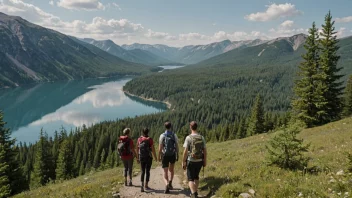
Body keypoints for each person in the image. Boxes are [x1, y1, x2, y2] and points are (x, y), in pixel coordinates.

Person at [182, 121, 207, 198]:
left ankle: (193, 193)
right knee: (196, 177)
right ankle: (195, 192)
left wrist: (183, 162)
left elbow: (185, 152)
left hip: (191, 160)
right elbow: (205, 151)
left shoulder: (188, 138)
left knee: (190, 179)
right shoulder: (201, 137)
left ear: (190, 127)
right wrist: (204, 161)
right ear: (197, 127)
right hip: (199, 161)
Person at [158, 121, 179, 194]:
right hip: (172, 154)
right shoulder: (174, 135)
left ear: (165, 127)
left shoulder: (162, 136)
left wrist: (159, 156)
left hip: (165, 155)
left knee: (165, 171)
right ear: (171, 126)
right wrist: (177, 154)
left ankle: (166, 184)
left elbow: (160, 148)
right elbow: (176, 146)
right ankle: (170, 182)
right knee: (172, 170)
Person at [136, 128, 157, 192]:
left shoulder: (139, 139)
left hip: (141, 157)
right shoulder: (150, 139)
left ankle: (141, 185)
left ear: (142, 132)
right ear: (148, 132)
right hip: (148, 157)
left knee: (142, 171)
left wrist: (137, 157)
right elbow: (153, 149)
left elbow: (137, 148)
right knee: (147, 171)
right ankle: (146, 185)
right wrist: (155, 157)